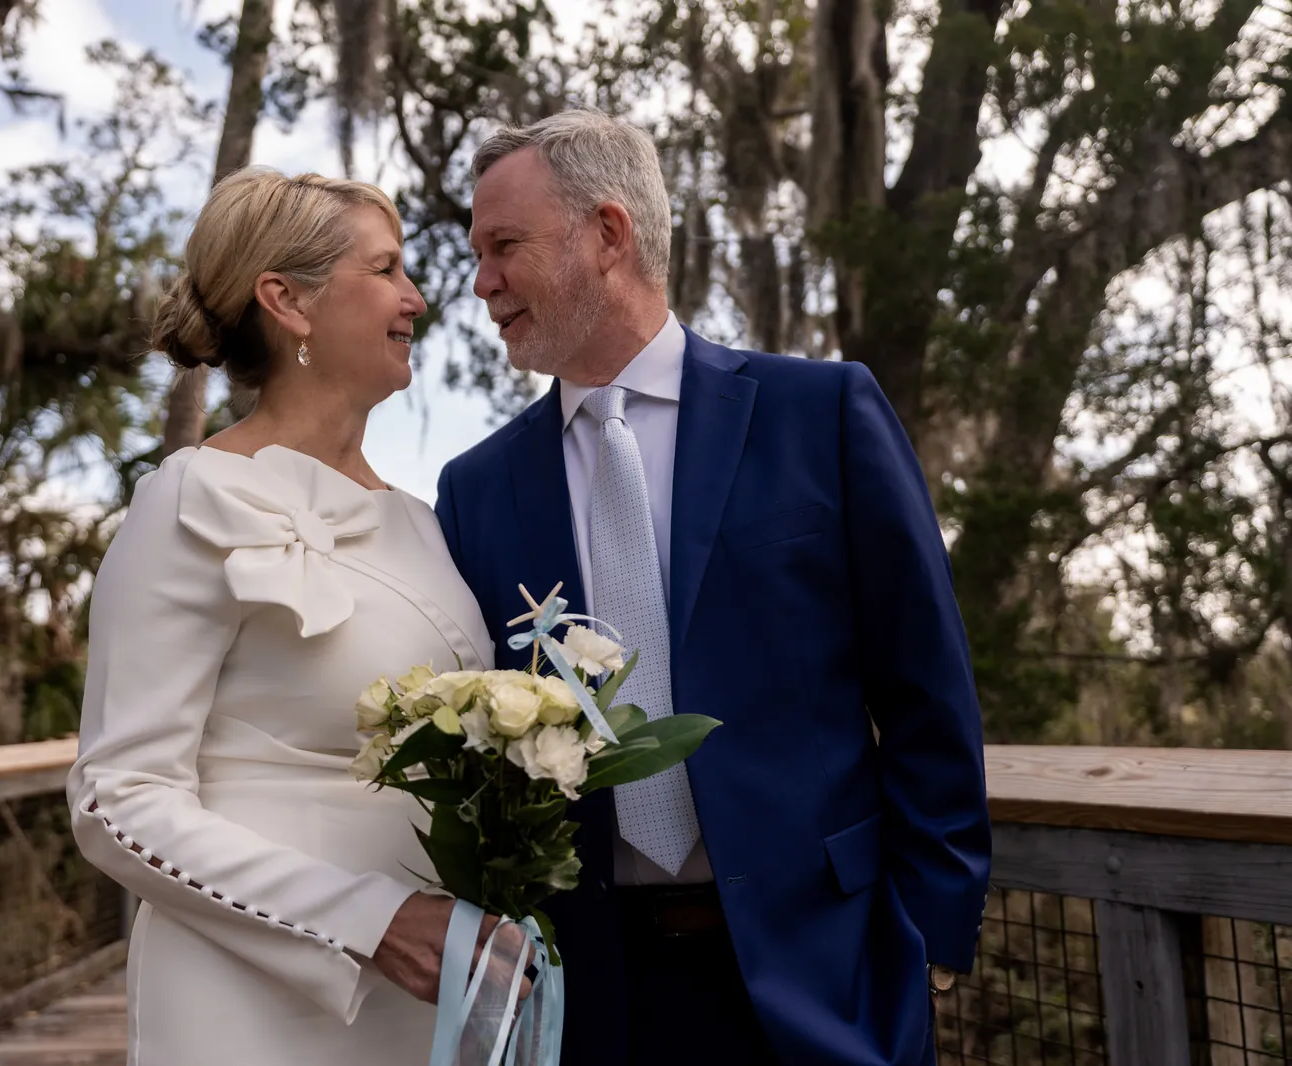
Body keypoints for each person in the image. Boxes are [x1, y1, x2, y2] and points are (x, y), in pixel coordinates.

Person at [434, 109, 993, 1065]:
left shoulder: (823, 413)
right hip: (591, 1003)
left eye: (503, 247)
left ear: (607, 235)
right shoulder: (475, 489)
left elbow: (926, 688)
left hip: (830, 980)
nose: (480, 284)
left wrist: (933, 939)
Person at [66, 168, 520, 1064]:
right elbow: (117, 801)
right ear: (288, 301)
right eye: (386, 270)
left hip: (426, 999)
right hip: (251, 1001)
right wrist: (367, 919)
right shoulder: (191, 499)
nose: (417, 299)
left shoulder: (421, 523)